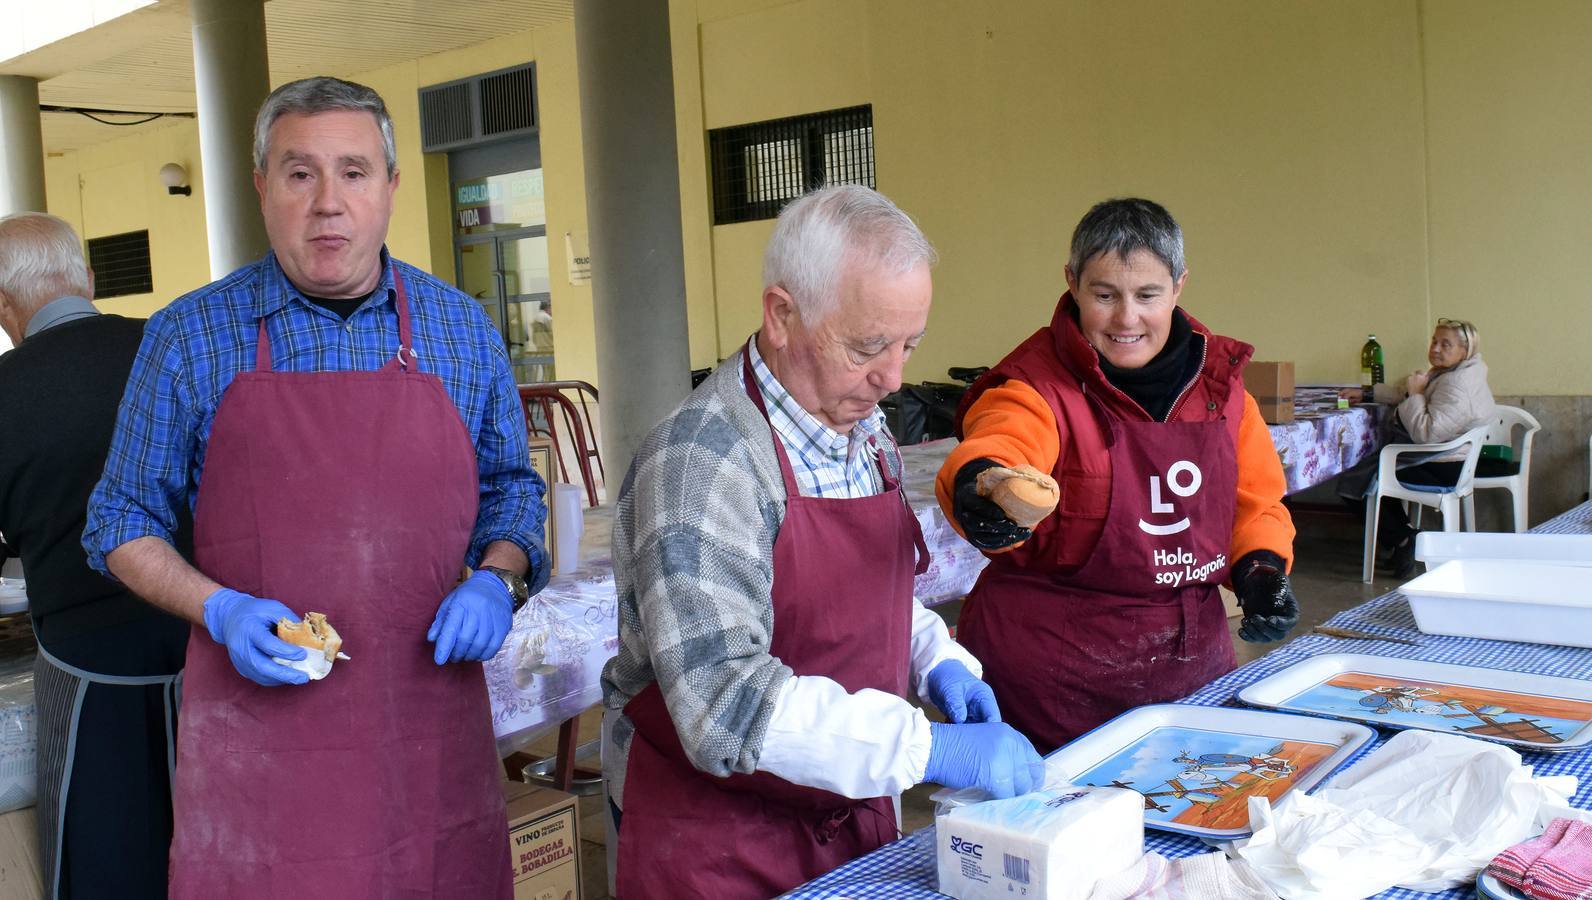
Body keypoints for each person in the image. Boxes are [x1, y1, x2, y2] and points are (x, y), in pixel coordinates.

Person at [81, 77, 548, 899]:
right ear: (261, 187)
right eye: (300, 174)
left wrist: (496, 578)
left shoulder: (460, 331)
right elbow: (118, 521)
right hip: (259, 761)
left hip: (426, 746)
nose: (328, 203)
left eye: (355, 173)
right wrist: (217, 609)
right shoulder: (188, 339)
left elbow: (514, 493)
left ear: (392, 189)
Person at [600, 185, 1045, 900]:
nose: (893, 378)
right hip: (719, 841)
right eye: (868, 346)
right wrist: (930, 747)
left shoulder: (860, 429)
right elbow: (724, 705)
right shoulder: (702, 464)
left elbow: (863, 599)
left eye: (909, 345)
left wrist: (938, 663)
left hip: (848, 807)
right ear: (782, 315)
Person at [935, 198, 1300, 753]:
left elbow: (1255, 502)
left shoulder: (1225, 396)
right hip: (1051, 678)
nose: (1126, 319)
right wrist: (981, 481)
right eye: (1104, 295)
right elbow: (1003, 439)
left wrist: (1261, 567)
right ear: (1072, 284)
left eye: (1147, 295)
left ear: (1179, 286)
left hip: (1188, 663)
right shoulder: (1037, 385)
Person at [0, 212, 190, 899]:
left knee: (101, 863)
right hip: (214, 643)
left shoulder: (5, 389)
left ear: (4, 305)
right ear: (83, 277)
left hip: (85, 668)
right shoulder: (172, 352)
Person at [1348, 318, 1499, 577]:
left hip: (1445, 464)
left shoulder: (1457, 384)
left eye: (1446, 344)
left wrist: (1416, 394)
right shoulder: (1454, 372)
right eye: (1434, 341)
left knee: (1359, 477)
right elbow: (1406, 393)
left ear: (1465, 351)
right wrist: (1370, 395)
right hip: (1449, 458)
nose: (1436, 348)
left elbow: (1426, 433)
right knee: (1372, 469)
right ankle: (1402, 541)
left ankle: (1406, 540)